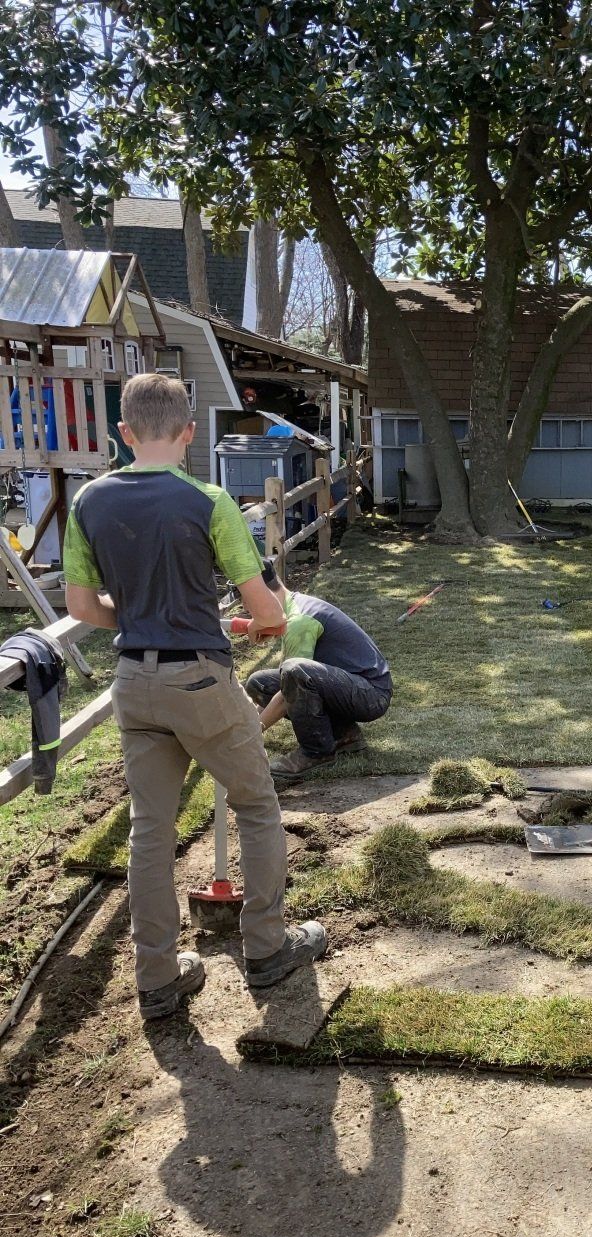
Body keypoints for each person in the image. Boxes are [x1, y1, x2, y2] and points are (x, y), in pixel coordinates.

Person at [61, 374, 328, 1022]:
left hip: (134, 681)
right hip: (201, 683)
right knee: (257, 804)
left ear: (124, 433)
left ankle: (157, 980)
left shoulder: (89, 502)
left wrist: (143, 618)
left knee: (150, 830)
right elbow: (269, 610)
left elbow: (82, 607)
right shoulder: (207, 501)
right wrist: (255, 623)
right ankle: (267, 948)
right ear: (188, 432)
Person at [243, 560, 391, 781]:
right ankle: (343, 734)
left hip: (371, 694)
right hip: (355, 687)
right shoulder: (294, 605)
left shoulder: (299, 621)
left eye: (246, 598)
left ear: (261, 594)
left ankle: (315, 752)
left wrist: (249, 735)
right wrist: (249, 726)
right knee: (259, 683)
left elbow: (287, 690)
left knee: (294, 671)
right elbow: (287, 685)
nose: (245, 606)